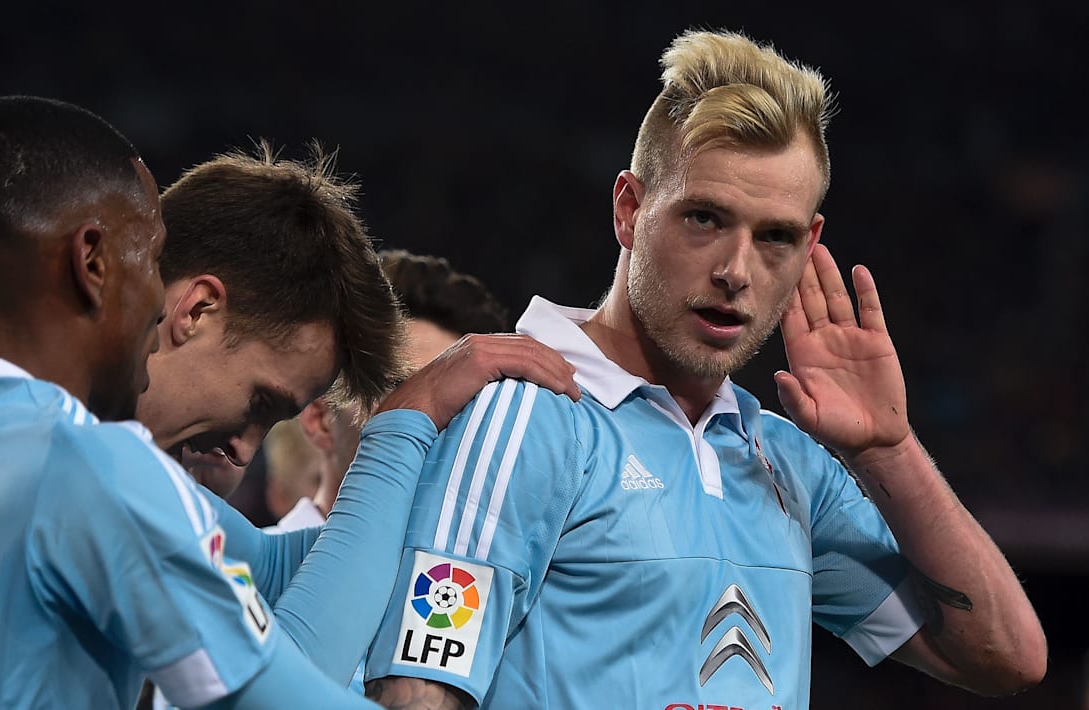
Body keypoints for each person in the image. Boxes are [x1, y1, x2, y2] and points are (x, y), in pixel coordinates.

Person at [0, 96, 580, 709]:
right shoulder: (82, 469)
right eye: (148, 257)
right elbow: (287, 676)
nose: (155, 301)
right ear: (94, 262)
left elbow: (268, 566)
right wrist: (402, 428)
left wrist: (471, 519)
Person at [362, 30, 1047, 709]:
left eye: (774, 235)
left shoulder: (787, 465)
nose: (735, 271)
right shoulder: (528, 418)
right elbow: (417, 691)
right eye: (704, 219)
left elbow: (1006, 658)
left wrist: (888, 450)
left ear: (809, 244)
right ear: (630, 211)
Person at [269, 248, 510, 530]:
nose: (438, 421)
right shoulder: (237, 559)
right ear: (320, 420)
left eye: (463, 402)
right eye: (403, 391)